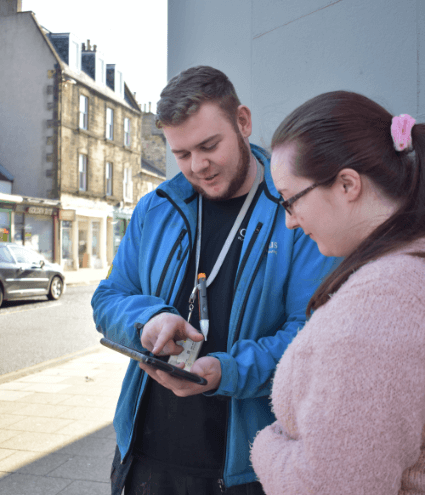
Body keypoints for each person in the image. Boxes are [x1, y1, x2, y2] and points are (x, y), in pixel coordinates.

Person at [91, 66, 338, 495]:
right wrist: (148, 320)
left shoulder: (294, 209)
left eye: (209, 146)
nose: (197, 166)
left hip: (246, 470)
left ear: (242, 121)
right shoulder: (155, 207)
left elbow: (310, 337)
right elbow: (109, 297)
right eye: (181, 154)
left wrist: (226, 372)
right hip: (142, 460)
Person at [251, 90, 425, 494]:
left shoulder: (381, 306)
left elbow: (333, 487)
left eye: (290, 201)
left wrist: (264, 446)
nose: (290, 222)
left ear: (347, 184)